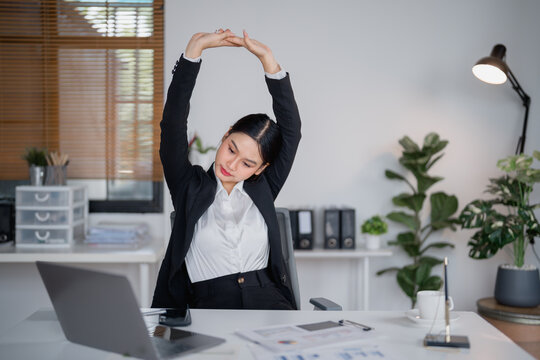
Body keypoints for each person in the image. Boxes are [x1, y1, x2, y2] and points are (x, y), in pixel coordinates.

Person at [152, 29, 301, 310]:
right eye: (232, 149)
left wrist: (268, 60)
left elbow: (292, 132)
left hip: (268, 301)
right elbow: (172, 125)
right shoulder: (189, 186)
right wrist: (194, 51)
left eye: (247, 163)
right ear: (226, 134)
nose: (231, 165)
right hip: (209, 304)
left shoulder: (264, 188)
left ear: (262, 168)